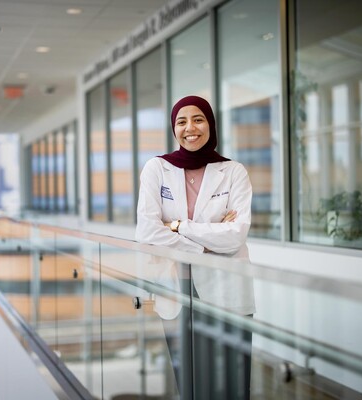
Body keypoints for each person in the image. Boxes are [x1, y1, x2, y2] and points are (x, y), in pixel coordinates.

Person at [135, 95, 255, 399]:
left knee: (233, 383)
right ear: (174, 128)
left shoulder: (233, 171)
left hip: (227, 288)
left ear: (210, 125)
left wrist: (178, 226)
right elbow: (147, 231)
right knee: (189, 383)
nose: (191, 128)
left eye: (198, 119)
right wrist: (203, 244)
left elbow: (235, 236)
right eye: (182, 121)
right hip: (177, 288)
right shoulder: (157, 168)